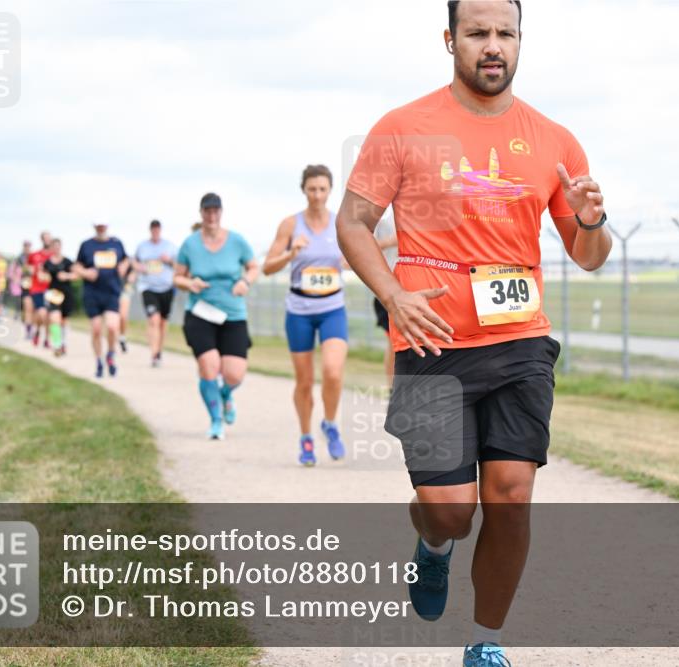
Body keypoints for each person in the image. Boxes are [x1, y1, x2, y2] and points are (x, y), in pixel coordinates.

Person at [336, 2, 612, 664]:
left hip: (520, 344)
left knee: (511, 498)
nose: (493, 45)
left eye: (505, 33)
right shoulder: (403, 128)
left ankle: (485, 642)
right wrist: (393, 294)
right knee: (451, 512)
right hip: (432, 345)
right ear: (450, 39)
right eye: (478, 32)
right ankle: (433, 544)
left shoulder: (554, 139)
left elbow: (589, 256)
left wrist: (591, 221)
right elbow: (353, 222)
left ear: (520, 41)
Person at [262, 165, 348, 466]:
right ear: (304, 190)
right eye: (312, 189)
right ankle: (306, 438)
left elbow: (356, 257)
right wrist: (291, 253)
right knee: (304, 381)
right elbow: (267, 267)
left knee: (333, 372)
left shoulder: (340, 223)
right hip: (299, 309)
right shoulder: (290, 225)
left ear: (330, 190)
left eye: (322, 189)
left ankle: (330, 423)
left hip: (332, 308)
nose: (317, 195)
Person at [173, 193, 259, 441]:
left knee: (234, 374)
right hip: (201, 312)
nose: (211, 216)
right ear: (201, 213)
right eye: (207, 211)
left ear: (221, 212)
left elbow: (254, 267)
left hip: (233, 313)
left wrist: (245, 281)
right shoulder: (190, 244)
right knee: (209, 366)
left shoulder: (237, 241)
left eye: (215, 211)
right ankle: (216, 420)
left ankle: (225, 395)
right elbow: (177, 277)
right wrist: (190, 283)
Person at [74, 222, 129, 377]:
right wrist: (85, 273)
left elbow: (126, 259)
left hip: (112, 291)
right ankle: (99, 361)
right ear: (94, 227)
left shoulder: (116, 243)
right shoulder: (86, 245)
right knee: (96, 329)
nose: (101, 228)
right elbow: (76, 266)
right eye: (98, 226)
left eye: (103, 226)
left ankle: (110, 354)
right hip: (92, 292)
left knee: (112, 326)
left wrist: (123, 267)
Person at [134, 219, 178, 367]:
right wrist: (139, 267)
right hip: (148, 287)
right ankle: (153, 354)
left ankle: (159, 351)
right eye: (153, 229)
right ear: (150, 230)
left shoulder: (170, 246)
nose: (155, 231)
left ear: (160, 230)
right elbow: (134, 262)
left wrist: (168, 261)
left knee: (163, 323)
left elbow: (179, 266)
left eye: (157, 229)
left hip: (166, 288)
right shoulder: (142, 246)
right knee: (154, 320)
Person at [373, 215, 399, 385]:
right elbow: (363, 244)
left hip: (414, 287)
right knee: (394, 343)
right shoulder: (382, 219)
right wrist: (392, 241)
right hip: (388, 289)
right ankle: (391, 389)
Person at [43, 238, 76, 356]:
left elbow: (76, 275)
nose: (56, 248)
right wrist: (44, 277)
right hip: (53, 294)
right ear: (51, 248)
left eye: (58, 246)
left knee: (63, 320)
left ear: (61, 247)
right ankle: (56, 344)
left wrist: (66, 276)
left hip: (66, 293)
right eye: (54, 246)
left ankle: (63, 343)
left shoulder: (67, 261)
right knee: (54, 319)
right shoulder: (47, 263)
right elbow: (42, 275)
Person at [28, 232, 53, 348]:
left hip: (51, 289)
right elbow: (29, 268)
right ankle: (38, 331)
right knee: (42, 313)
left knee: (49, 315)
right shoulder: (34, 255)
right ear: (42, 240)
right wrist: (33, 271)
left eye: (49, 238)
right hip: (37, 288)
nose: (47, 241)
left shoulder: (53, 255)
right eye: (45, 239)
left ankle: (46, 339)